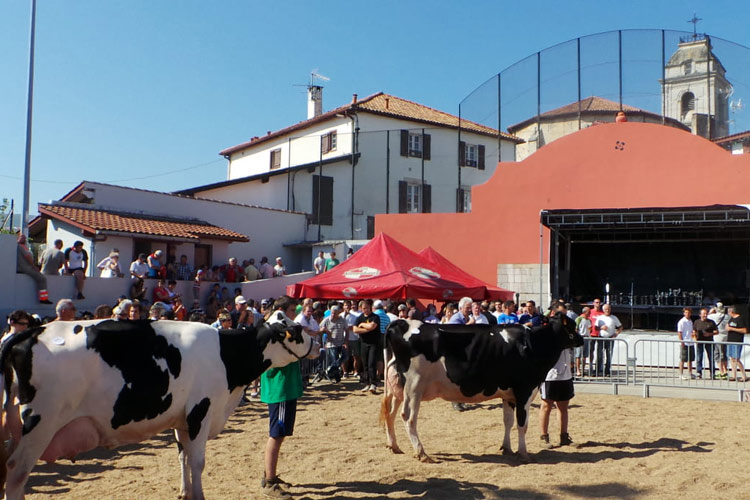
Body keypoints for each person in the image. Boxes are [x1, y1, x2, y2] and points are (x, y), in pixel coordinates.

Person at [260, 296, 303, 499]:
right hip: (281, 388)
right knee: (276, 434)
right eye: (292, 310)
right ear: (282, 310)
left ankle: (271, 475)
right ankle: (269, 481)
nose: (295, 314)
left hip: (283, 388)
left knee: (279, 433)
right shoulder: (275, 330)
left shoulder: (276, 328)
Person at [539, 342, 575, 449]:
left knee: (563, 406)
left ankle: (564, 436)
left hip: (566, 374)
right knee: (546, 405)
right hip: (550, 375)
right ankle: (543, 436)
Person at [352, 299, 380, 393]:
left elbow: (372, 326)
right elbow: (355, 329)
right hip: (363, 343)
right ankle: (367, 383)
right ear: (361, 308)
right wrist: (367, 329)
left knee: (372, 363)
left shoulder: (375, 317)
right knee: (365, 364)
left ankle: (373, 384)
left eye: (367, 308)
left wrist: (363, 325)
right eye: (364, 308)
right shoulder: (359, 317)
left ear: (370, 308)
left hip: (374, 343)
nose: (365, 310)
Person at [16, 233, 52, 304]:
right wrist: (33, 266)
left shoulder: (18, 247)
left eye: (24, 238)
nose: (24, 239)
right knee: (42, 279)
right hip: (25, 267)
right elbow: (27, 257)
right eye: (22, 237)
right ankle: (43, 299)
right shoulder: (19, 247)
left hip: (22, 267)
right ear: (18, 238)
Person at [319, 304, 349, 382]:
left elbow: (347, 331)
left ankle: (330, 369)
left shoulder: (342, 320)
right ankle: (336, 377)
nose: (333, 315)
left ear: (338, 313)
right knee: (334, 359)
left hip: (341, 342)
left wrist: (345, 342)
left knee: (345, 356)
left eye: (335, 313)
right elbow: (320, 328)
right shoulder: (326, 320)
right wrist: (325, 331)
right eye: (332, 313)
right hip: (331, 343)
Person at [593, 303, 622, 377]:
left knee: (609, 355)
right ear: (603, 310)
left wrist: (616, 334)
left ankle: (607, 371)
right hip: (601, 338)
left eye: (608, 309)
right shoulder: (600, 317)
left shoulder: (614, 318)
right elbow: (595, 328)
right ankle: (598, 370)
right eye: (606, 309)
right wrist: (601, 328)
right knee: (599, 355)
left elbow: (620, 327)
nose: (607, 310)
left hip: (610, 338)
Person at [693, 307, 718, 380]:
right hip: (699, 342)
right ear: (700, 314)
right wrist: (695, 339)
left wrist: (709, 334)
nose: (705, 315)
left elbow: (717, 331)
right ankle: (699, 373)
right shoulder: (697, 322)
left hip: (709, 342)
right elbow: (694, 331)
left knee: (711, 358)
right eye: (703, 313)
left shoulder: (711, 322)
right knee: (699, 358)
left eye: (706, 313)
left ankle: (712, 373)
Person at [708, 303, 730, 380]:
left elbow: (707, 317)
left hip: (717, 338)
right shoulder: (727, 316)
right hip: (725, 337)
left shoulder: (714, 316)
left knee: (718, 355)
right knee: (724, 354)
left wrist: (711, 311)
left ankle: (721, 372)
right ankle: (725, 370)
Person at [726, 306, 747, 382]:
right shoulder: (731, 319)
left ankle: (744, 375)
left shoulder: (740, 319)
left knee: (736, 359)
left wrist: (732, 329)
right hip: (730, 340)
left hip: (737, 341)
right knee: (732, 358)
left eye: (729, 312)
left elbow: (744, 330)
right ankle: (734, 375)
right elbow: (728, 327)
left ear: (731, 312)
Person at [676, 307, 695, 380]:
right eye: (686, 312)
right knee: (683, 359)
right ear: (684, 313)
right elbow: (679, 332)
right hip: (684, 342)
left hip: (690, 342)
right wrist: (682, 341)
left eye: (689, 312)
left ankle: (690, 373)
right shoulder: (681, 322)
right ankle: (680, 374)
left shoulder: (690, 321)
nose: (687, 314)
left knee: (690, 359)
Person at [574, 307, 591, 377]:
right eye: (588, 312)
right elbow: (575, 328)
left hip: (587, 338)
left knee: (584, 355)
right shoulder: (579, 319)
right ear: (585, 312)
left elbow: (590, 329)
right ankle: (578, 369)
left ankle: (583, 369)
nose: (590, 313)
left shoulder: (589, 320)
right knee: (578, 355)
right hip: (580, 337)